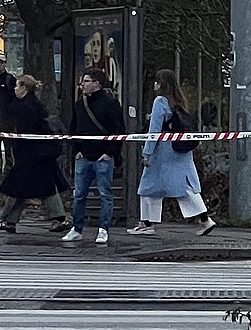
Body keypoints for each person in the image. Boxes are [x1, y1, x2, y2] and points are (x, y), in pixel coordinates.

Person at [134, 68, 215, 236]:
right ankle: (205, 219)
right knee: (185, 187)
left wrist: (147, 153)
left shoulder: (160, 102)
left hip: (163, 151)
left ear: (159, 84)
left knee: (148, 186)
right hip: (181, 151)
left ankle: (147, 224)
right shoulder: (179, 101)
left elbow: (154, 131)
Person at [0, 75, 68, 233]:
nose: (15, 89)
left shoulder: (26, 107)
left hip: (30, 155)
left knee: (20, 187)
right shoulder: (32, 104)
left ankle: (8, 220)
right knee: (37, 187)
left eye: (18, 86)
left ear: (24, 88)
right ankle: (11, 220)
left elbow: (23, 129)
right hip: (38, 154)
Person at [66, 67, 125, 245]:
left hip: (102, 157)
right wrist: (76, 150)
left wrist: (110, 152)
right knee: (79, 195)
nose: (82, 85)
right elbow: (74, 130)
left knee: (105, 194)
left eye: (86, 81)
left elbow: (118, 130)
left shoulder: (110, 104)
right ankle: (77, 228)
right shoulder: (79, 105)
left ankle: (103, 229)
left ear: (97, 84)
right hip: (83, 155)